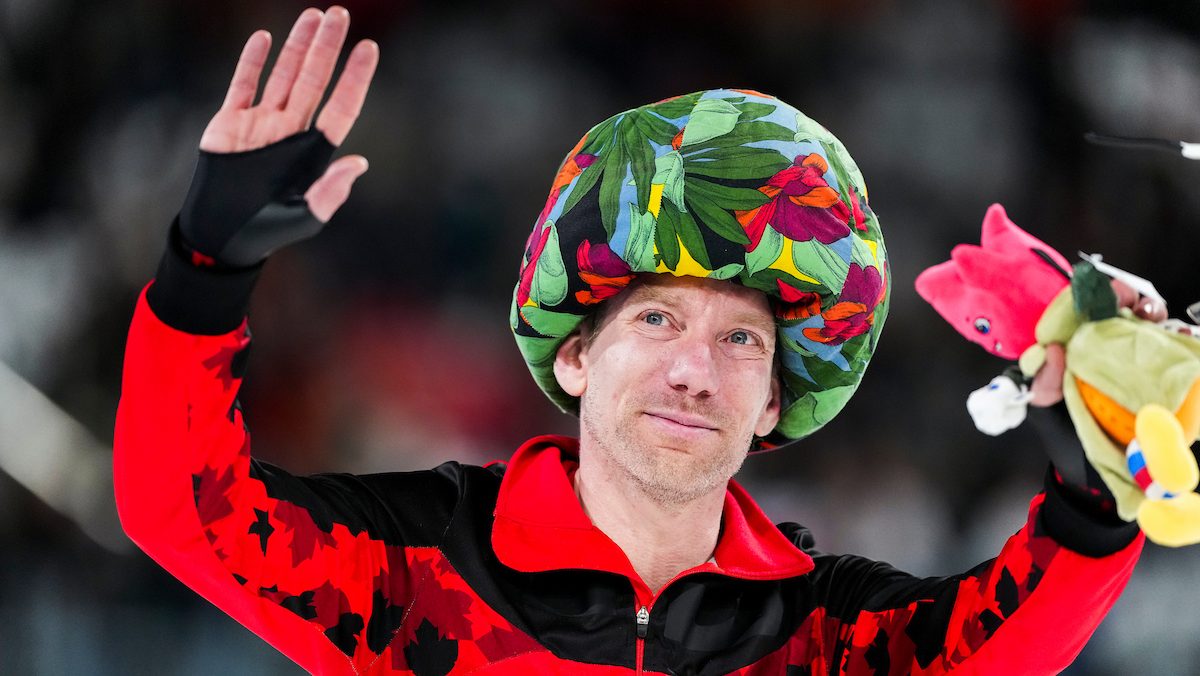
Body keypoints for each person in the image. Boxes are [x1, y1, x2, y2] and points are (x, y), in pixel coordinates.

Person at [114, 7, 1146, 675]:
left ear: (778, 400)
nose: (695, 370)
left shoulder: (826, 637)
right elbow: (182, 510)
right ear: (574, 353)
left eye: (744, 341)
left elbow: (1002, 650)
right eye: (655, 318)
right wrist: (203, 273)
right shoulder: (416, 569)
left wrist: (1102, 490)